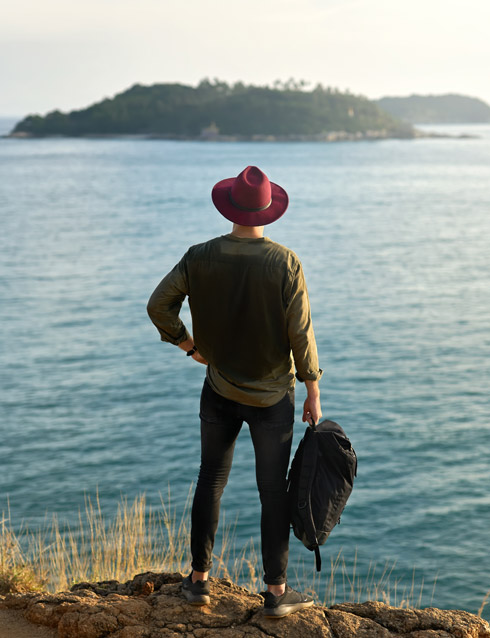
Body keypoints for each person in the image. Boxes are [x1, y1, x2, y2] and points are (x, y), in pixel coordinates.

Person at [147, 165, 322, 618]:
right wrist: (312, 388)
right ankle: (276, 592)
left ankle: (198, 582)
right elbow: (300, 333)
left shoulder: (199, 255)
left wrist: (188, 345)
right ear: (268, 210)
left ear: (229, 207)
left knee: (211, 481)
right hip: (273, 398)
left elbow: (158, 305)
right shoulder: (284, 262)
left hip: (219, 388)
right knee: (273, 493)